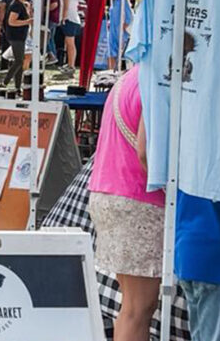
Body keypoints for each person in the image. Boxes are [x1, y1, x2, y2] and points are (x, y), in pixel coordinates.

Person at [86, 65, 161, 341]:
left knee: (131, 306)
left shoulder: (132, 77)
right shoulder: (158, 80)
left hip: (110, 191)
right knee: (138, 309)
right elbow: (147, 152)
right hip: (138, 199)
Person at [1, 0, 33, 93]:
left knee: (19, 60)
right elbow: (12, 21)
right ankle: (4, 82)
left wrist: (27, 10)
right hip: (16, 36)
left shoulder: (20, 4)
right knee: (19, 61)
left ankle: (17, 87)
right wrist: (27, 21)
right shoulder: (16, 6)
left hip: (20, 36)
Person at [107, 0, 133, 71]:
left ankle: (120, 70)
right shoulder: (113, 1)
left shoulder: (124, 0)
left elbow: (130, 16)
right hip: (112, 30)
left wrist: (124, 26)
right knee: (111, 51)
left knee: (120, 51)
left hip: (120, 30)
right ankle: (111, 70)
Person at [59, 0, 82, 75]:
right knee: (70, 44)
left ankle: (71, 65)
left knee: (70, 44)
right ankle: (70, 63)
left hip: (69, 19)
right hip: (76, 19)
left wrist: (63, 18)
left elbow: (66, 7)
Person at [45, 0, 62, 66]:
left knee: (46, 38)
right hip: (54, 18)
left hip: (51, 18)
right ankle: (54, 57)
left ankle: (52, 56)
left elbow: (54, 4)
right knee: (51, 39)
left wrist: (43, 9)